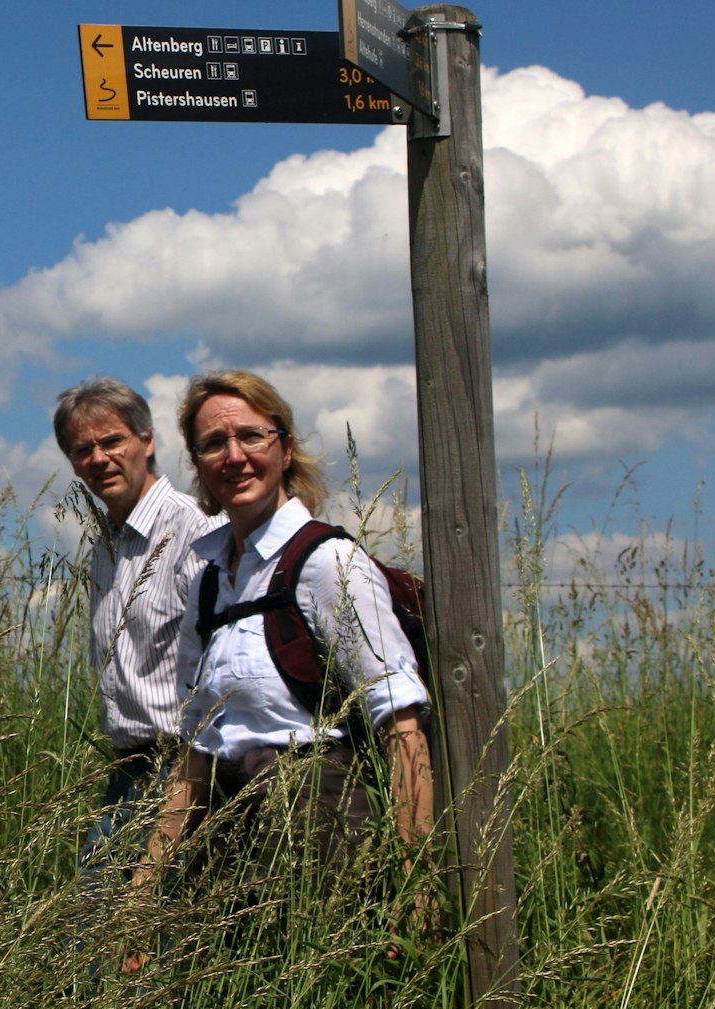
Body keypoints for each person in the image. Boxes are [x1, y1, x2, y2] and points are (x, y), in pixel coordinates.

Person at [129, 370, 433, 963]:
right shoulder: (211, 582)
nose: (234, 456)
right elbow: (196, 755)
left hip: (321, 822)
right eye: (214, 444)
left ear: (286, 448)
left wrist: (414, 887)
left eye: (252, 436)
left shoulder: (327, 563)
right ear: (197, 464)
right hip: (231, 829)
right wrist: (140, 902)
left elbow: (402, 726)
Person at [53, 377, 218, 896]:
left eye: (112, 441)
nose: (99, 458)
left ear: (147, 441)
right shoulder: (106, 544)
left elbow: (217, 668)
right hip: (128, 770)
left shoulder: (192, 530)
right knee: (93, 930)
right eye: (83, 450)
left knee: (142, 940)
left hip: (187, 770)